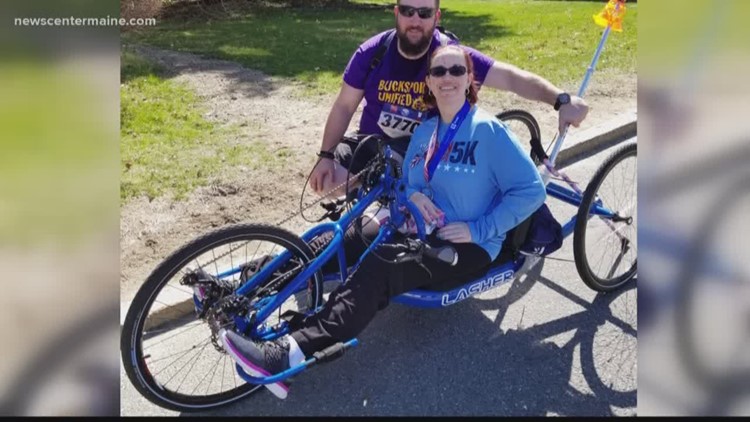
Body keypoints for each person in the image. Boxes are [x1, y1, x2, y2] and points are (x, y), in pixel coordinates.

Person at [219, 44, 547, 399]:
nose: (447, 78)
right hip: (415, 224)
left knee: (381, 265)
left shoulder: (490, 132)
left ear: (470, 79)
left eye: (456, 71)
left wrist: (477, 229)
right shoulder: (426, 131)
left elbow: (530, 191)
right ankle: (241, 287)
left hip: (466, 244)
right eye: (439, 72)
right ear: (430, 82)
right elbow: (411, 182)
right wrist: (414, 196)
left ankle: (287, 355)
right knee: (339, 238)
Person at [309, 0, 589, 196]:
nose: (415, 21)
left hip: (425, 155)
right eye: (408, 11)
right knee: (326, 183)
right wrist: (324, 155)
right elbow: (344, 106)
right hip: (374, 147)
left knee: (388, 224)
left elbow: (510, 77)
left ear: (437, 17)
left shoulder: (449, 59)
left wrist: (560, 98)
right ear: (396, 13)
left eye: (424, 12)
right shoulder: (372, 53)